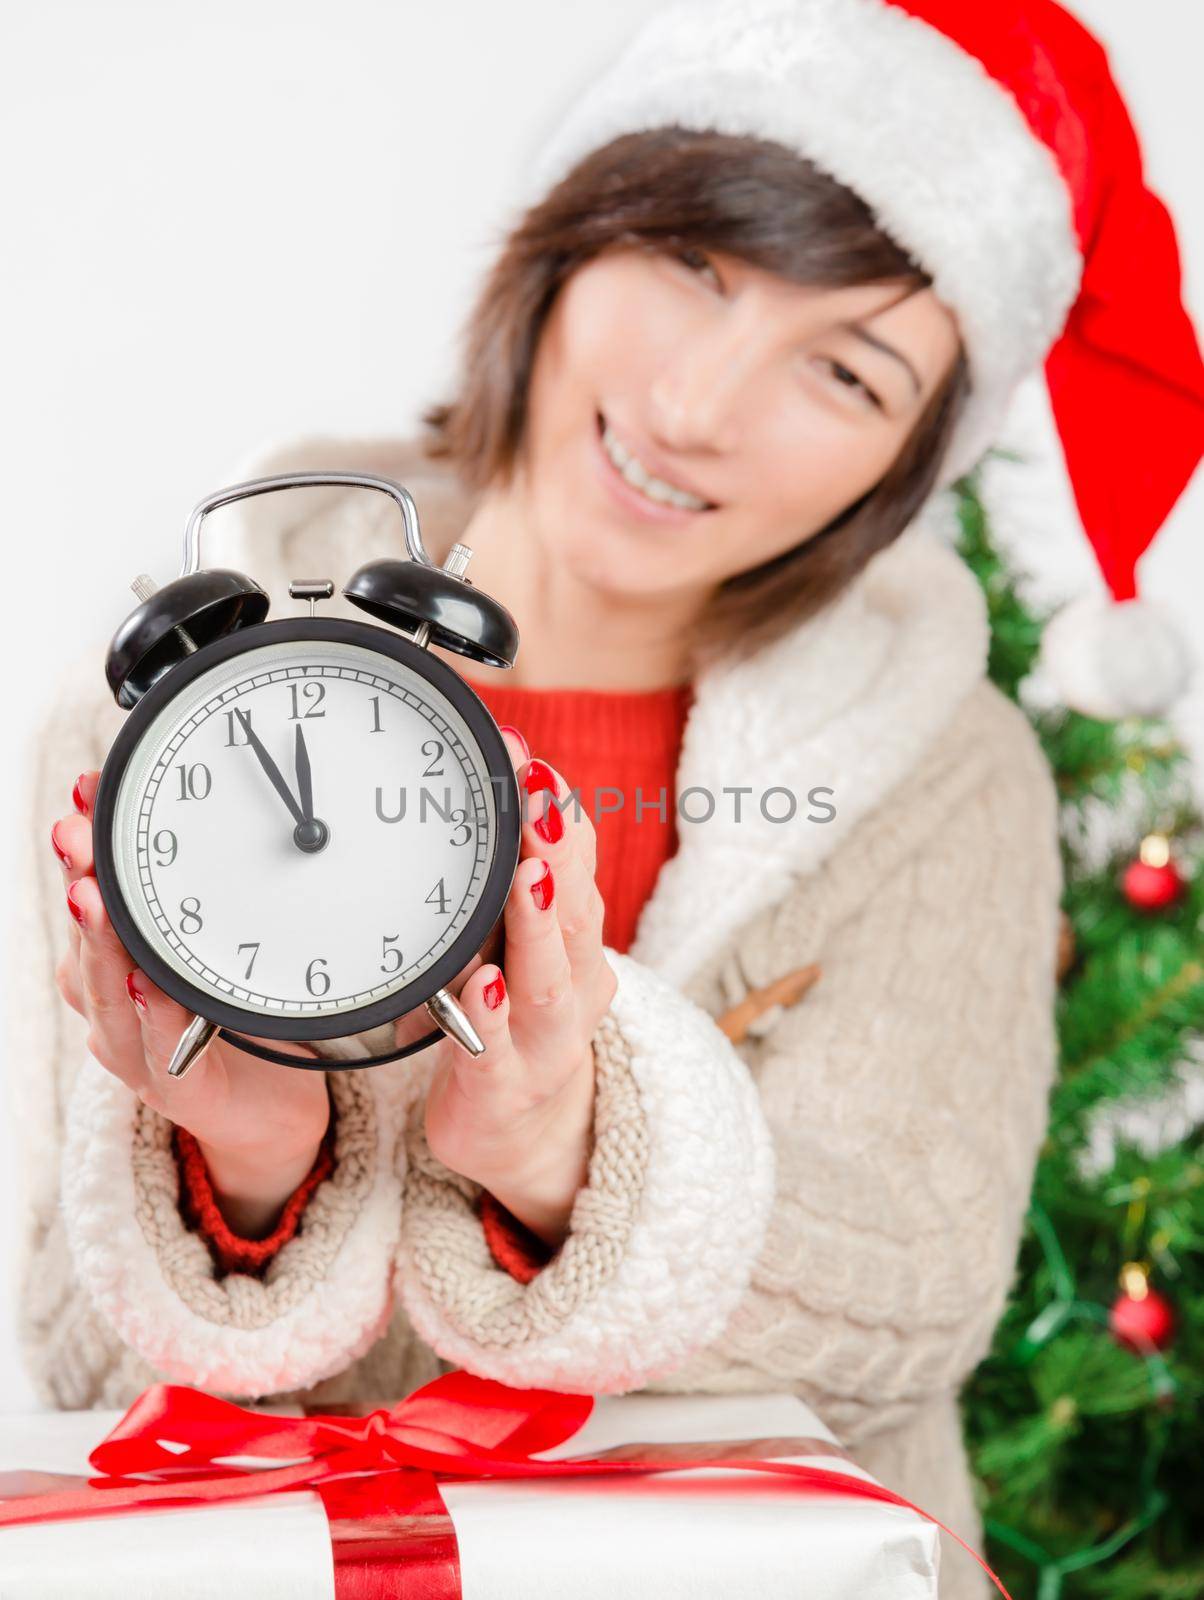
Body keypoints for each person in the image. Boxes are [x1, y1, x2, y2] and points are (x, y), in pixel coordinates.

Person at [13, 3, 1203, 1595]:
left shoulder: (934, 765)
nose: (699, 406)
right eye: (695, 266)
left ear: (908, 463)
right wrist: (245, 1171)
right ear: (569, 238)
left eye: (844, 372)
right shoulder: (180, 726)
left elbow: (906, 1306)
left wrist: (573, 1155)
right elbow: (88, 1362)